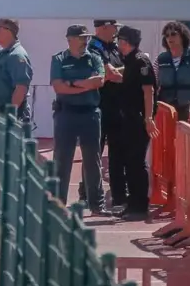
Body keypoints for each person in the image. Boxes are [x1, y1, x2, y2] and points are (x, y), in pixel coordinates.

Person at [50, 24, 105, 211]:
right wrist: (83, 84)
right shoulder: (58, 59)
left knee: (92, 160)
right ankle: (58, 203)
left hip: (90, 113)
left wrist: (72, 83)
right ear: (70, 39)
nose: (85, 41)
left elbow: (99, 81)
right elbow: (59, 87)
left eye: (86, 38)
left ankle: (97, 204)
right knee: (62, 159)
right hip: (66, 113)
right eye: (81, 38)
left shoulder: (95, 58)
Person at [112, 25, 158, 220]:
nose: (117, 44)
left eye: (119, 41)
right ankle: (133, 204)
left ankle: (139, 206)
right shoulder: (130, 61)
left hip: (137, 120)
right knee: (129, 163)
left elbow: (149, 91)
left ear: (125, 42)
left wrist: (148, 118)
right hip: (128, 120)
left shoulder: (141, 61)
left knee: (136, 163)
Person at [90, 19, 125, 208]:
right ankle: (89, 192)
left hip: (116, 107)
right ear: (104, 27)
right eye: (113, 27)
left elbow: (117, 72)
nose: (116, 31)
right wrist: (127, 72)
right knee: (95, 152)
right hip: (100, 106)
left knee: (117, 152)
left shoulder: (114, 47)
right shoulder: (95, 48)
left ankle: (118, 193)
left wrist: (121, 72)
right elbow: (109, 74)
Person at [0, 18, 33, 121]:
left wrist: (9, 117)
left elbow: (21, 89)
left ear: (9, 31)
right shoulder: (2, 54)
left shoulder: (17, 55)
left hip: (13, 117)